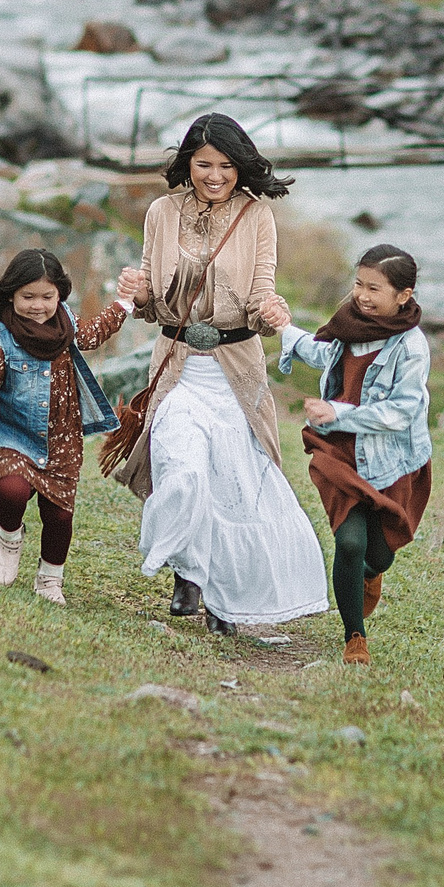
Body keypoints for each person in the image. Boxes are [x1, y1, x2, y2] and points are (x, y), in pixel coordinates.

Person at [109, 113, 328, 634]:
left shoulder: (257, 217)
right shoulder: (161, 212)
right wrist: (137, 291)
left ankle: (224, 602)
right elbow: (150, 298)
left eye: (227, 166)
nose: (215, 175)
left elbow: (259, 295)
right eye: (204, 164)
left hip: (236, 373)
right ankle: (189, 570)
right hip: (178, 368)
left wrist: (272, 311)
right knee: (182, 471)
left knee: (234, 488)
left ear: (240, 168)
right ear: (187, 163)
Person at [278, 244, 433, 666]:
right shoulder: (349, 324)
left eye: (374, 288)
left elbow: (402, 411)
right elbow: (324, 352)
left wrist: (339, 410)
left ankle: (370, 574)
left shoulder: (411, 346)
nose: (362, 295)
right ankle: (354, 638)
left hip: (392, 460)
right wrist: (286, 330)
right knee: (349, 542)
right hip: (337, 450)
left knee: (377, 553)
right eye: (359, 284)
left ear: (404, 294)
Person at [0, 248, 138, 605]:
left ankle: (49, 579)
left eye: (47, 297)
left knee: (58, 514)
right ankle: (9, 540)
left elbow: (93, 335)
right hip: (12, 432)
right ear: (11, 294)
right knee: (11, 490)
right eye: (28, 297)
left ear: (60, 295)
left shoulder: (66, 325)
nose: (37, 305)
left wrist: (124, 302)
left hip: (62, 437)